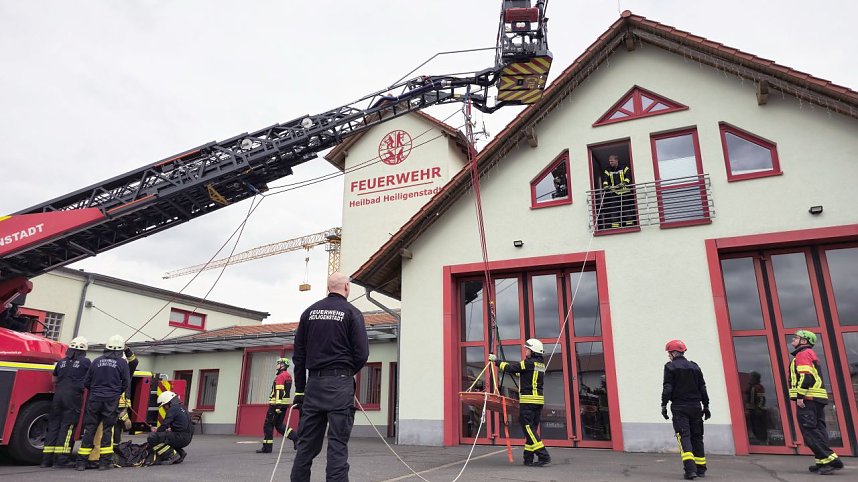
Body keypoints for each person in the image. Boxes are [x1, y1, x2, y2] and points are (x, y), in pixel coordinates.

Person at [290, 272, 369, 482]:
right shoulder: (352, 313)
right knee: (337, 446)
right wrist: (346, 373)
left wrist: (300, 390)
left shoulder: (308, 313)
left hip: (313, 386)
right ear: (346, 287)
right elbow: (362, 353)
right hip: (340, 386)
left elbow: (298, 356)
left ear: (328, 287)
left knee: (306, 446)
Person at [788, 330, 844, 475]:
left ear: (804, 341)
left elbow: (806, 377)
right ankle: (821, 462)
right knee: (818, 430)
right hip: (816, 399)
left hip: (808, 400)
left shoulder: (803, 354)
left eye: (796, 338)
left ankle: (831, 460)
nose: (793, 339)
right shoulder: (808, 354)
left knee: (809, 431)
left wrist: (800, 396)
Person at [489, 338, 551, 467]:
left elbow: (511, 367)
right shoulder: (540, 365)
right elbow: (524, 374)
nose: (526, 351)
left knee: (528, 429)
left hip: (528, 401)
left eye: (527, 349)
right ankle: (528, 459)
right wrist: (516, 373)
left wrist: (496, 361)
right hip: (538, 401)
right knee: (531, 429)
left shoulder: (528, 363)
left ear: (533, 350)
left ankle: (543, 455)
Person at [76, 334, 130, 471]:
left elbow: (87, 382)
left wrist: (95, 390)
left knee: (90, 429)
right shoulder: (122, 363)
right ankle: (104, 463)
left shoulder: (96, 361)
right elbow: (126, 383)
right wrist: (116, 391)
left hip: (95, 398)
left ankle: (81, 463)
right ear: (120, 350)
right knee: (107, 430)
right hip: (111, 400)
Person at [661, 339, 710, 480]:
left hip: (680, 407)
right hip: (696, 407)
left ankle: (690, 470)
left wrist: (663, 405)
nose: (668, 356)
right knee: (697, 437)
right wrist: (706, 406)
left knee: (684, 437)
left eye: (669, 353)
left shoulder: (670, 367)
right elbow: (703, 388)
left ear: (674, 353)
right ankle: (701, 469)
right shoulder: (695, 367)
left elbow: (668, 388)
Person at [41, 336, 91, 468]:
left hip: (58, 396)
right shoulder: (86, 362)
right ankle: (61, 459)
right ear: (84, 350)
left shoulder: (61, 361)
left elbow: (54, 380)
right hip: (73, 398)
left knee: (53, 426)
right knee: (67, 428)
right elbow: (90, 380)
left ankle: (46, 460)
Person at [256, 357, 298, 453]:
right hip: (284, 405)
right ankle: (296, 438)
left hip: (276, 405)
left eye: (278, 363)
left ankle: (267, 448)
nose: (277, 365)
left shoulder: (280, 376)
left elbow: (279, 391)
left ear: (283, 365)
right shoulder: (288, 376)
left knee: (268, 425)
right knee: (279, 425)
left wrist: (277, 405)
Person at [147, 390, 193, 465]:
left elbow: (164, 424)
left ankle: (171, 455)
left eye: (164, 406)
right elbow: (183, 425)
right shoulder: (182, 408)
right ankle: (180, 453)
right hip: (187, 437)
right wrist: (169, 430)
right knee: (166, 436)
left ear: (168, 403)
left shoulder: (172, 409)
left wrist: (157, 431)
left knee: (152, 438)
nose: (165, 409)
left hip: (180, 437)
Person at [113, 346, 139, 449]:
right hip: (111, 403)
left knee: (117, 428)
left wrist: (127, 350)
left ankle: (115, 448)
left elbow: (134, 362)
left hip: (121, 405)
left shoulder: (127, 371)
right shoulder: (110, 369)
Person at [601, 155, 635, 229]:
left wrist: (624, 183)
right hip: (615, 193)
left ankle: (630, 226)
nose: (610, 163)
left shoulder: (624, 167)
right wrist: (605, 185)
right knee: (614, 210)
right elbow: (605, 179)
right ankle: (615, 227)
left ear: (616, 160)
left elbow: (629, 177)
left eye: (612, 161)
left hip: (625, 192)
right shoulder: (608, 170)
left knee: (627, 209)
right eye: (609, 161)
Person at [745, 371, 768, 444]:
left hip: (757, 411)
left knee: (759, 426)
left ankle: (762, 440)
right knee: (754, 426)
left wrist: (759, 409)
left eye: (751, 377)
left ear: (755, 378)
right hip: (752, 410)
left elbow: (761, 399)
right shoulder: (750, 387)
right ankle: (758, 439)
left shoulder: (758, 387)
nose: (749, 379)